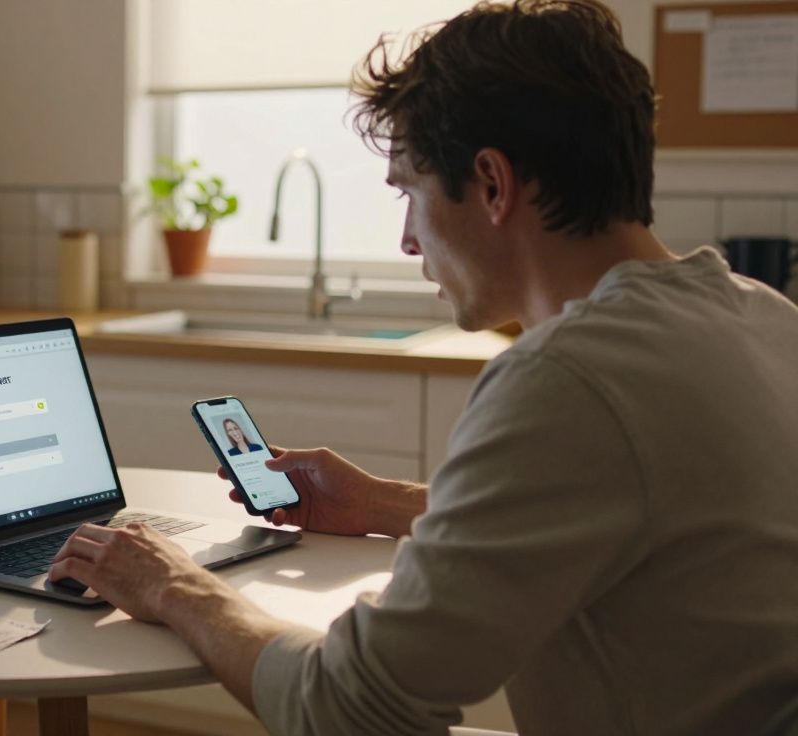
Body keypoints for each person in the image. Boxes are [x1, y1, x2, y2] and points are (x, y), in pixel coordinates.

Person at [50, 1, 798, 733]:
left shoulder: (567, 379)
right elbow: (616, 513)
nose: (408, 240)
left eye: (409, 191)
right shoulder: (760, 314)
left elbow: (349, 708)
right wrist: (380, 503)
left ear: (494, 185)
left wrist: (178, 586)